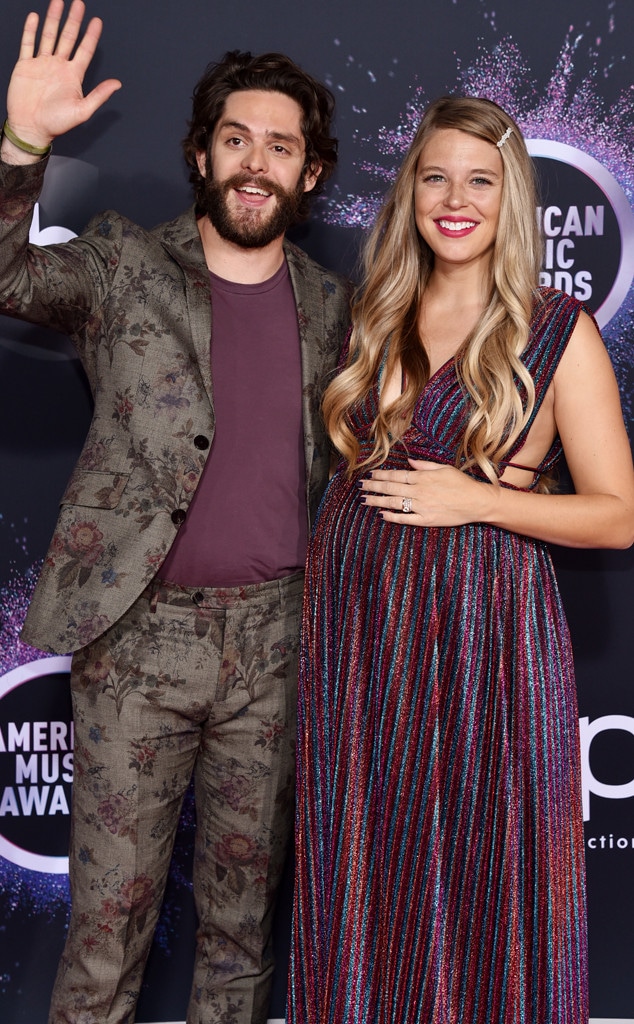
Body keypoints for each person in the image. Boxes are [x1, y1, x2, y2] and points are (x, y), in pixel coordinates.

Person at [0, 1, 350, 1022]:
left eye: (279, 147)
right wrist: (21, 141)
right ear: (201, 154)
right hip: (139, 645)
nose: (255, 163)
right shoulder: (120, 265)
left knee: (242, 935)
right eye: (235, 139)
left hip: (277, 645)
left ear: (309, 174)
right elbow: (9, 271)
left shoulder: (333, 306)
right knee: (110, 929)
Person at [288, 94, 634, 1024]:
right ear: (410, 192)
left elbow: (618, 516)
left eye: (480, 180)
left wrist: (474, 498)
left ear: (510, 197)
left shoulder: (559, 330)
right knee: (367, 870)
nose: (455, 198)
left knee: (490, 869)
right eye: (436, 176)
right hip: (357, 635)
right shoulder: (368, 316)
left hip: (487, 635)